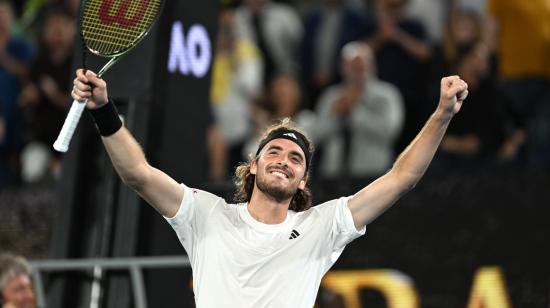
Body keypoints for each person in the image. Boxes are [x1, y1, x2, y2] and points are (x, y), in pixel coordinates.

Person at [70, 68, 468, 307]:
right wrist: (104, 110)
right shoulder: (207, 214)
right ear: (254, 166)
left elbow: (401, 179)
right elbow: (137, 173)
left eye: (296, 159)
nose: (284, 160)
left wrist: (442, 114)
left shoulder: (322, 225)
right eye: (274, 152)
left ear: (303, 180)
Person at [315, 42, 404, 178]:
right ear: (343, 67)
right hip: (333, 172)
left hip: (372, 172)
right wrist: (335, 115)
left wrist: (354, 111)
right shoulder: (331, 96)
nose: (357, 72)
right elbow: (318, 135)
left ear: (371, 66)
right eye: (353, 67)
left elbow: (390, 133)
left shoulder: (387, 95)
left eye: (361, 67)